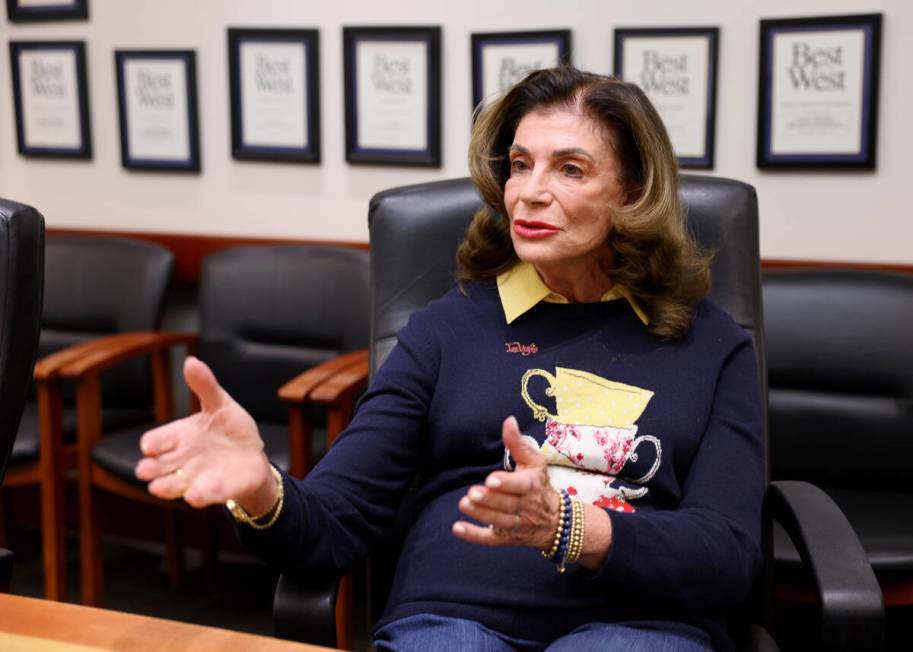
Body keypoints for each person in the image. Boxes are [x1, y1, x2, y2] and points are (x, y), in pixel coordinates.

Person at [135, 66, 764, 652]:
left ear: (633, 190)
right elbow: (336, 519)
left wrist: (569, 526)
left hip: (638, 620)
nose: (531, 193)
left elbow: (729, 555)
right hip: (455, 613)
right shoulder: (448, 327)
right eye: (520, 165)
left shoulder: (710, 345)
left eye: (570, 169)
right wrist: (262, 489)